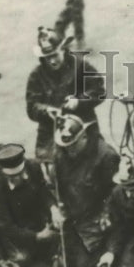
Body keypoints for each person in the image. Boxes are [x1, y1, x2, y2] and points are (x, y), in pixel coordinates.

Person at [46, 105, 119, 267]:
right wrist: (53, 208)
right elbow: (50, 187)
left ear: (84, 137)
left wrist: (105, 213)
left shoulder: (106, 156)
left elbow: (115, 194)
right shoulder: (61, 154)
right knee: (54, 257)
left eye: (73, 145)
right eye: (66, 146)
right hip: (69, 216)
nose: (69, 150)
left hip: (95, 218)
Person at [25, 27, 106, 164]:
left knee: (99, 161)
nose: (51, 61)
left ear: (63, 49)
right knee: (50, 171)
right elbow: (32, 106)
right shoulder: (36, 75)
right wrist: (46, 110)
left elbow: (99, 91)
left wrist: (79, 101)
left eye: (55, 55)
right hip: (50, 132)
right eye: (47, 57)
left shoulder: (80, 66)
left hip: (82, 126)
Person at [0, 144, 57, 267]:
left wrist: (53, 208)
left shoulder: (33, 167)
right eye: (12, 176)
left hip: (35, 221)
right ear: (3, 173)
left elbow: (43, 192)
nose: (19, 178)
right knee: (20, 261)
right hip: (14, 231)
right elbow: (6, 227)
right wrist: (36, 237)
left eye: (21, 173)